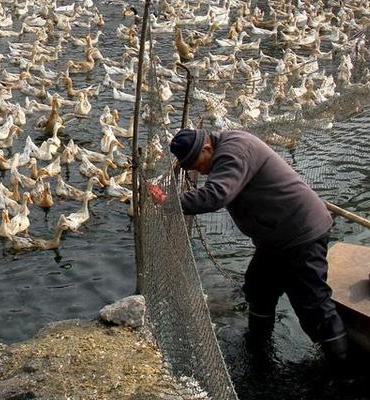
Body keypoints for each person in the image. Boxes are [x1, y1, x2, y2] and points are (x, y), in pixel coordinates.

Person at [149, 128, 348, 364]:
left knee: (313, 304)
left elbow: (216, 195)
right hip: (276, 238)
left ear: (207, 148)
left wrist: (168, 202)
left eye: (195, 162)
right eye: (190, 166)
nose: (196, 170)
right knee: (258, 287)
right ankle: (258, 345)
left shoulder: (234, 151)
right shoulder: (223, 150)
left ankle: (343, 369)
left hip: (300, 232)